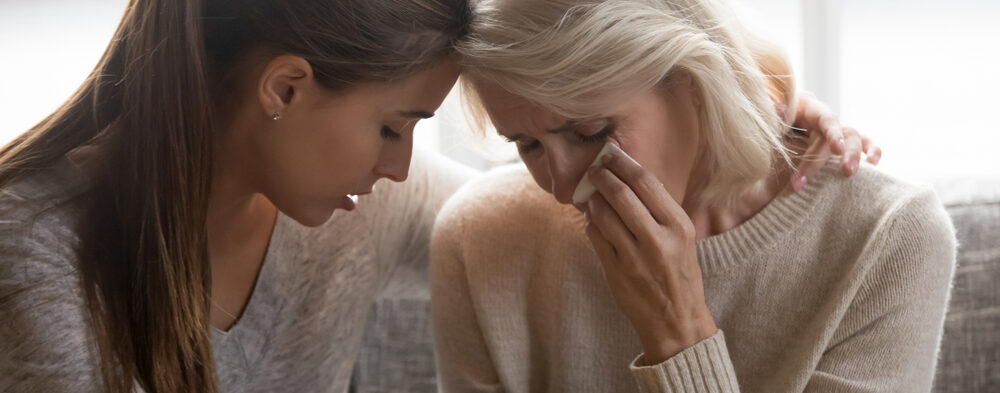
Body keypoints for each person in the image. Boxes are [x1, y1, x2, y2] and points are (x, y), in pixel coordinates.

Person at [0, 0, 870, 392]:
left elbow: (530, 210)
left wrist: (755, 105)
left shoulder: (359, 200)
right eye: (394, 125)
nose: (401, 166)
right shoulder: (33, 258)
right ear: (284, 87)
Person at [429, 0, 955, 392]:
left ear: (691, 79)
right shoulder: (479, 240)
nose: (564, 189)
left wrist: (680, 338)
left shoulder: (889, 242)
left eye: (589, 132)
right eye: (526, 144)